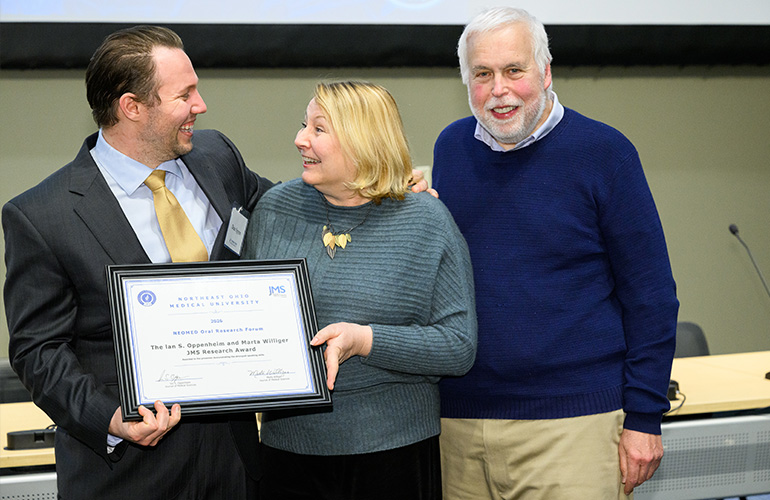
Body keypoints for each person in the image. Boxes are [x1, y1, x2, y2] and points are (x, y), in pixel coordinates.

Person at [433, 7, 679, 500]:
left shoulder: (604, 152)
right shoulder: (451, 148)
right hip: (458, 425)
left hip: (574, 426)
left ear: (545, 72)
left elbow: (651, 295)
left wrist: (645, 416)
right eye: (482, 74)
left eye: (514, 70)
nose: (498, 89)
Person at [242, 80, 477, 500]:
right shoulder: (274, 209)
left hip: (393, 454)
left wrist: (366, 340)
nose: (299, 139)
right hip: (287, 453)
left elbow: (458, 347)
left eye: (318, 129)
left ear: (363, 141)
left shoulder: (426, 220)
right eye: (303, 125)